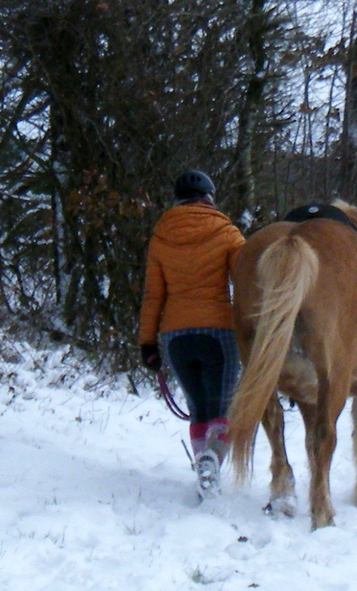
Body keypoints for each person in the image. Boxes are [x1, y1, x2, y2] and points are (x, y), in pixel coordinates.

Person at [138, 169, 247, 495]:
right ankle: (212, 460)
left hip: (175, 338)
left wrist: (147, 342)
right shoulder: (226, 232)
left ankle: (205, 474)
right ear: (210, 198)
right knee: (224, 409)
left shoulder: (160, 238)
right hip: (218, 333)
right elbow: (247, 280)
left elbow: (153, 295)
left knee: (198, 408)